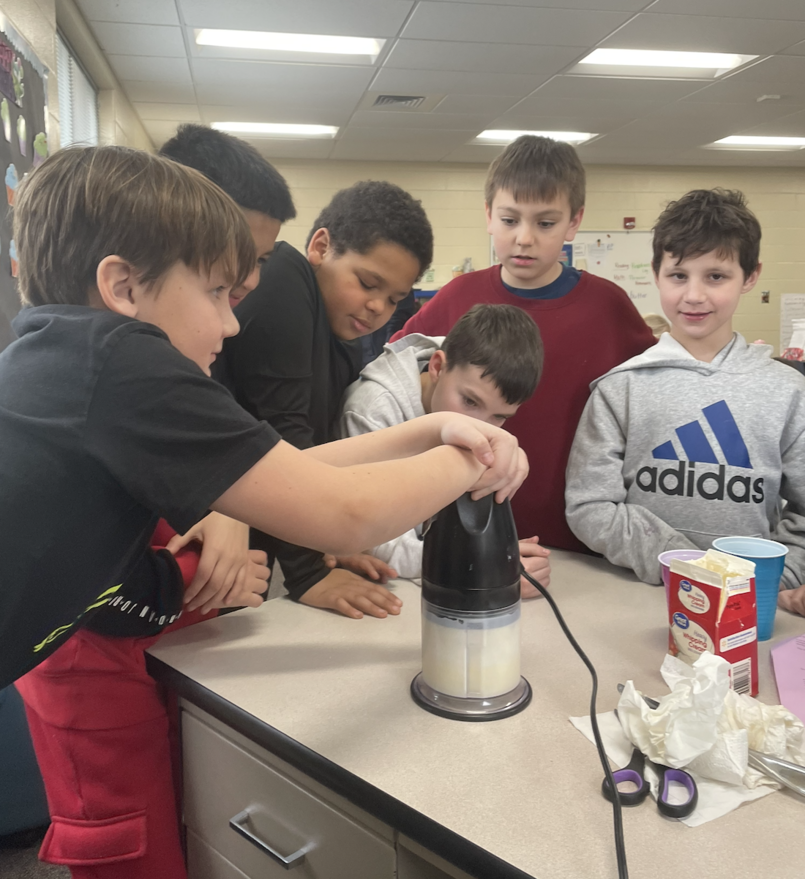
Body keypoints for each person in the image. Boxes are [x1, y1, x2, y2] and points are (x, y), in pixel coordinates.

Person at [14, 127, 295, 879]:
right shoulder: (111, 366)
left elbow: (215, 482)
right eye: (219, 285)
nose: (237, 311)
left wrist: (222, 529)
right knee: (127, 846)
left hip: (141, 647)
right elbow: (98, 575)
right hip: (86, 663)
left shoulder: (111, 358)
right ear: (126, 282)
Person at [391, 135, 655, 551]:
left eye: (545, 223)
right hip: (461, 527)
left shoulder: (608, 307)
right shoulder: (456, 297)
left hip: (578, 537)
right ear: (489, 215)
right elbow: (394, 382)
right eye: (510, 220)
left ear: (573, 221)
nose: (525, 238)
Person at [565, 188, 805, 606]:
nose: (694, 295)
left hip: (748, 603)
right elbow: (590, 505)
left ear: (750, 276)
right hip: (636, 598)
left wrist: (774, 578)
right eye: (679, 275)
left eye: (716, 276)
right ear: (657, 273)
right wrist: (690, 569)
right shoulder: (620, 389)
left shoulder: (787, 391)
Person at [220, 180, 437, 619]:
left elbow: (319, 455)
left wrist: (330, 548)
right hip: (210, 534)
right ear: (321, 245)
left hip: (250, 544)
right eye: (367, 282)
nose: (378, 307)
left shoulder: (342, 341)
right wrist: (309, 573)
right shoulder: (284, 276)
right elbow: (285, 438)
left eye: (394, 299)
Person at [340, 303, 551, 597]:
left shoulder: (466, 381)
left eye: (499, 417)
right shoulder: (372, 409)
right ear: (437, 367)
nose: (480, 428)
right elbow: (370, 538)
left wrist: (496, 555)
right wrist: (481, 565)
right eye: (470, 402)